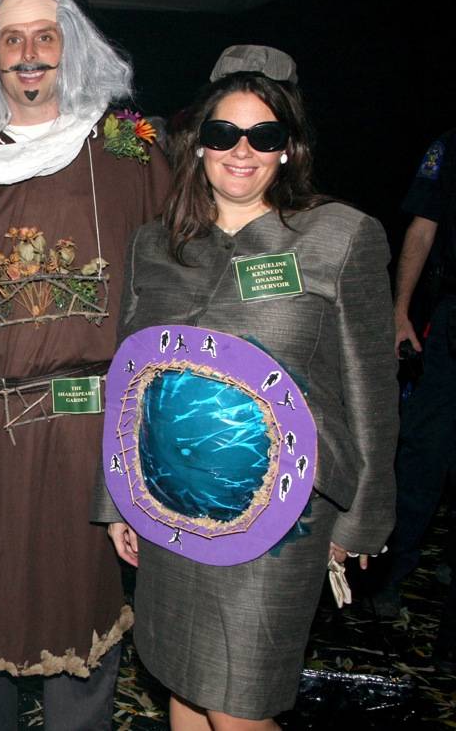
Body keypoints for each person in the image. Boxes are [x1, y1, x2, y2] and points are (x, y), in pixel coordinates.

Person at [95, 71, 397, 729]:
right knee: (181, 684)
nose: (242, 149)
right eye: (224, 131)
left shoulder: (339, 236)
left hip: (282, 518)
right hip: (171, 506)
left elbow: (372, 390)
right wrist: (118, 499)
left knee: (238, 705)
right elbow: (128, 380)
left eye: (264, 134)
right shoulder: (155, 243)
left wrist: (362, 520)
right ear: (198, 144)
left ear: (288, 148)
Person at [0, 0, 170, 730]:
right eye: (12, 38)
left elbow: (172, 287)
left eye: (45, 36)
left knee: (79, 602)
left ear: (71, 48)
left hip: (84, 428)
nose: (28, 53)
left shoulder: (127, 155)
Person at [371, 127, 456, 623]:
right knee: (425, 448)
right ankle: (391, 572)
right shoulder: (450, 147)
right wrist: (399, 310)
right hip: (451, 320)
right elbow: (423, 228)